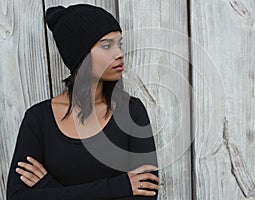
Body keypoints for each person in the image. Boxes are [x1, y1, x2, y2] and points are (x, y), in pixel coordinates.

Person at [6, 4, 159, 200]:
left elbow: (147, 195)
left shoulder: (132, 112)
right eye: (106, 45)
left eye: (119, 44)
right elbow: (17, 196)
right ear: (80, 55)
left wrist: (48, 187)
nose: (119, 53)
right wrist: (119, 187)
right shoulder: (38, 119)